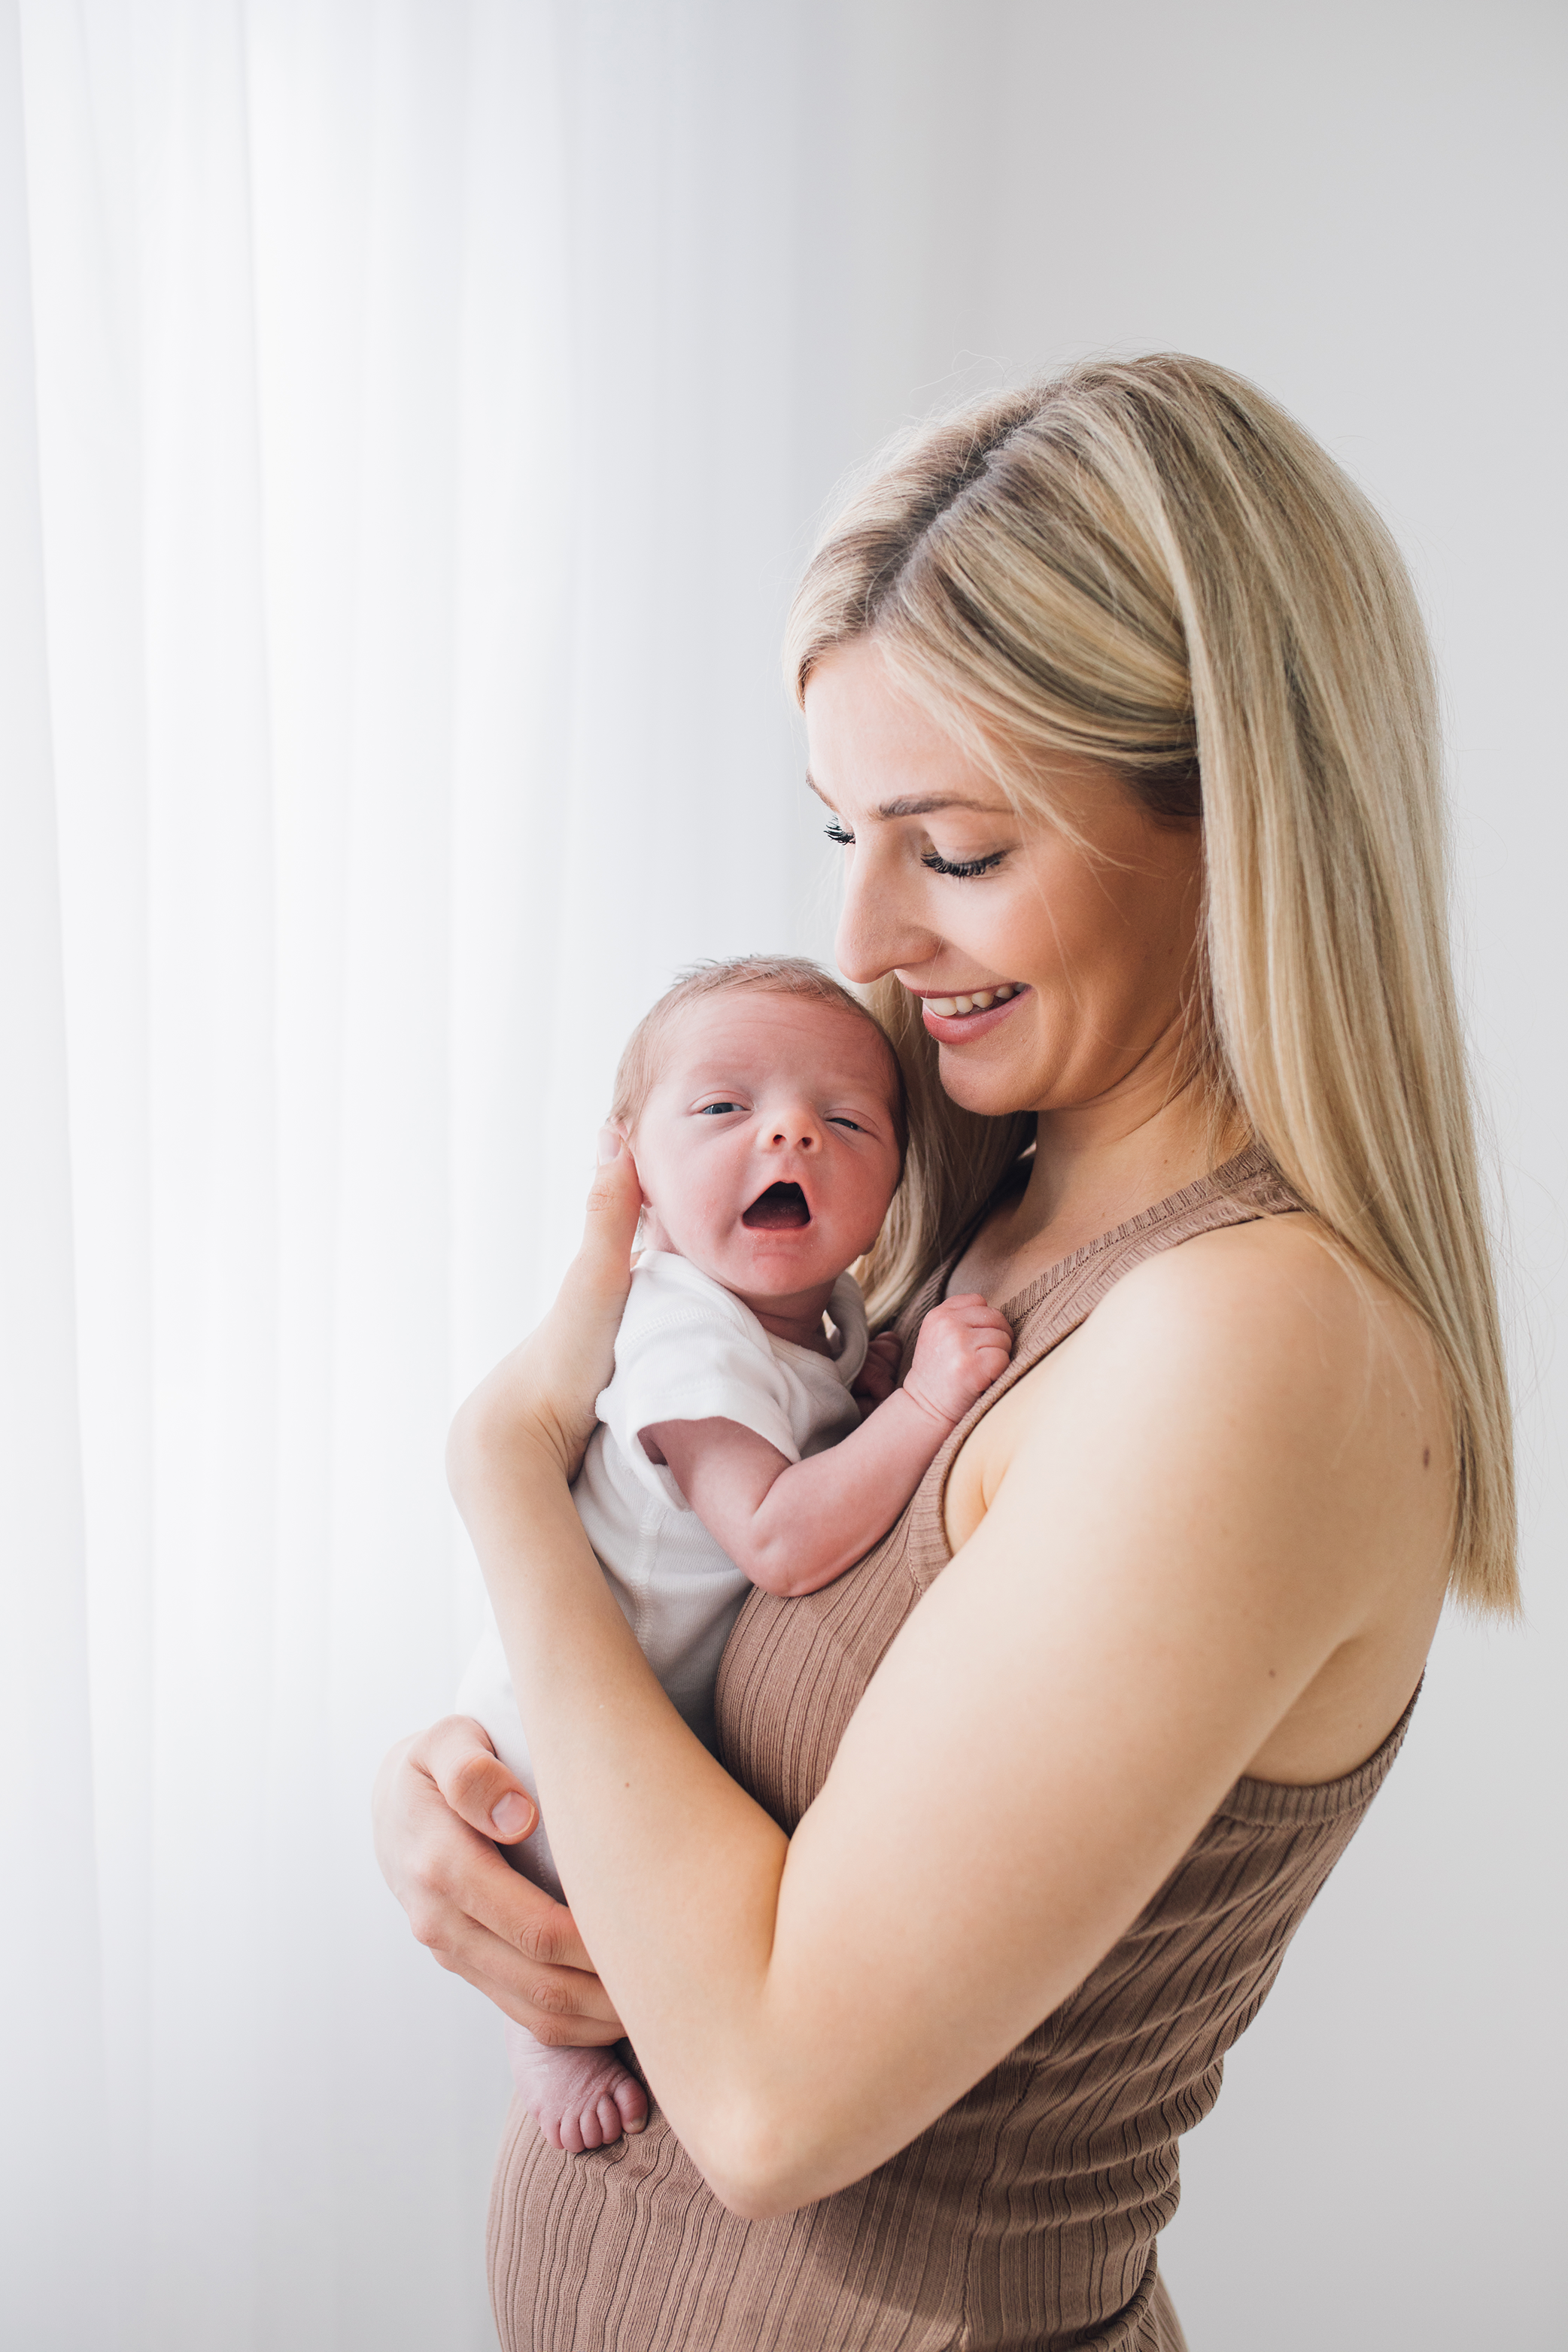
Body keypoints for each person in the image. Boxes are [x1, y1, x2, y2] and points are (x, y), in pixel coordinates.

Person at [374, 354, 1515, 2352]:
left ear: (1236, 819)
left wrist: (502, 1496)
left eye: (954, 848)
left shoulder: (1250, 1341)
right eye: (838, 828)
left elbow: (773, 2092)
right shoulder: (981, 1189)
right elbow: (715, 1696)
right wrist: (475, 1817)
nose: (867, 933)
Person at [455, 954, 1013, 2150]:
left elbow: (819, 1399)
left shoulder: (822, 1315)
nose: (791, 1136)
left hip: (632, 1727)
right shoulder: (679, 1331)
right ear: (635, 1172)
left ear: (893, 1181)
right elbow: (776, 1535)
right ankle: (546, 2033)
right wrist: (920, 1409)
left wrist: (873, 1376)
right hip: (550, 1764)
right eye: (724, 1108)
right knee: (568, 1921)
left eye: (846, 1120)